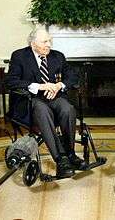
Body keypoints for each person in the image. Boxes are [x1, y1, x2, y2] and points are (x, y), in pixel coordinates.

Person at [6, 28, 87, 179]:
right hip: (30, 101)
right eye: (45, 41)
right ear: (33, 43)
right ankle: (60, 159)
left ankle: (70, 154)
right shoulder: (20, 56)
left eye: (50, 41)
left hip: (54, 97)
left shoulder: (58, 56)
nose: (49, 44)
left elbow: (73, 77)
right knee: (42, 109)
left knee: (68, 109)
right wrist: (40, 86)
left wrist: (58, 86)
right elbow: (11, 81)